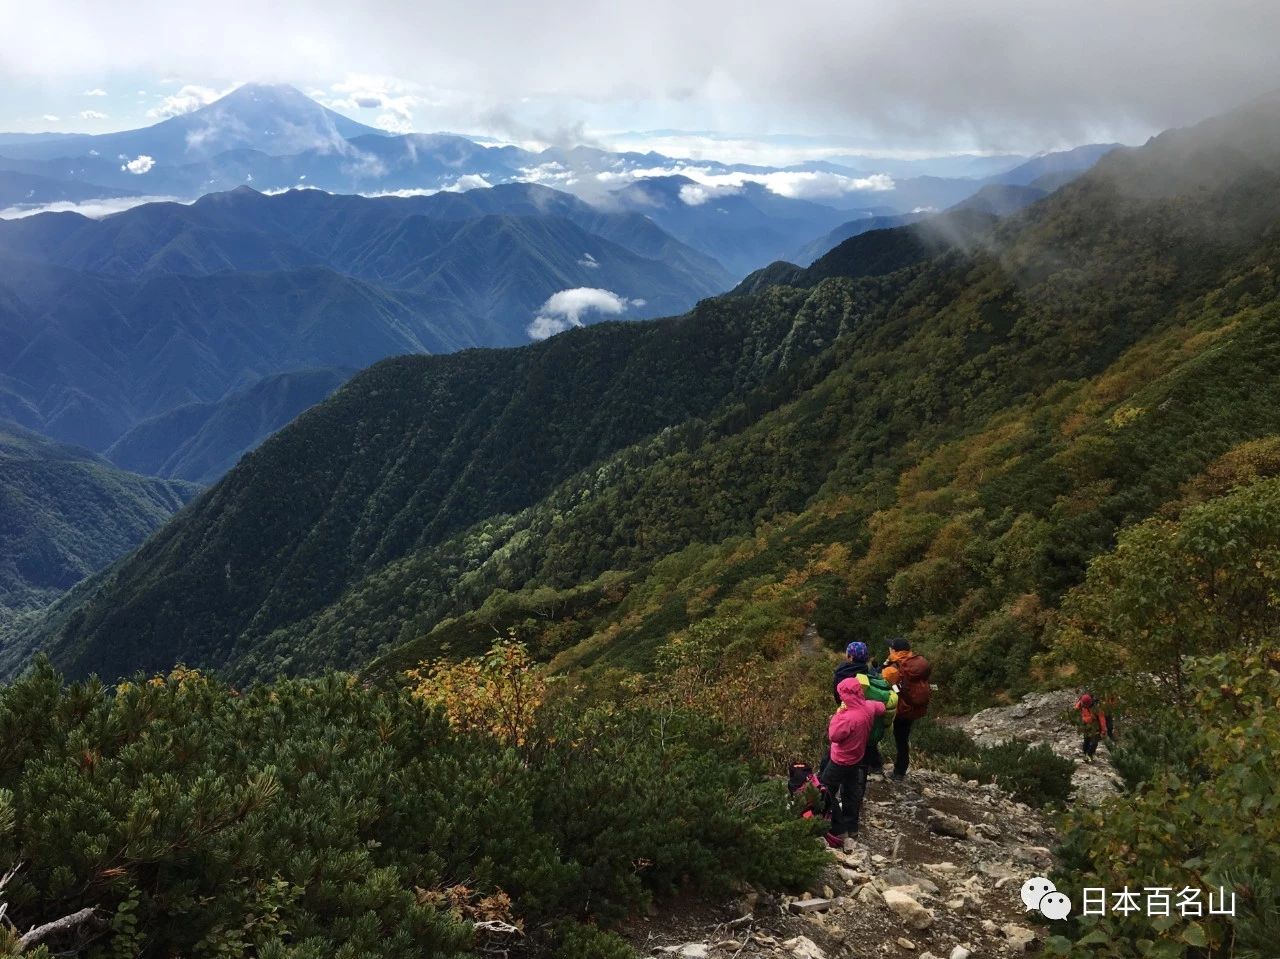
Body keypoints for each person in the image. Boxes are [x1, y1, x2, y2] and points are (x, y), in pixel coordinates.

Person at [822, 677, 886, 850]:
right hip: (857, 759)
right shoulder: (868, 707)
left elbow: (834, 735)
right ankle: (852, 828)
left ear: (844, 695)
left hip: (839, 761)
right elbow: (882, 707)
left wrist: (838, 714)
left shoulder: (847, 717)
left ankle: (838, 828)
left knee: (825, 790)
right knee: (850, 792)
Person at [831, 641, 896, 774]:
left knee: (845, 739)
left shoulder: (841, 672)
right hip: (867, 712)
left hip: (847, 709)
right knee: (867, 740)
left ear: (850, 657)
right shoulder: (868, 672)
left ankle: (847, 769)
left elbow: (838, 696)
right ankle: (873, 766)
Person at [881, 636, 931, 781]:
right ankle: (901, 768)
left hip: (902, 708)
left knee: (899, 739)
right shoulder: (916, 664)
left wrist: (886, 665)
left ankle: (898, 772)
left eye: (891, 647)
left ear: (894, 650)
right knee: (903, 738)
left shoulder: (895, 667)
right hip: (914, 707)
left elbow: (885, 682)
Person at [1074, 693, 1106, 761]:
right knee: (1086, 740)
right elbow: (1076, 710)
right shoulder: (1081, 703)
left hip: (1095, 726)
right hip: (1086, 725)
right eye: (1083, 704)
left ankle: (1090, 754)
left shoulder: (1097, 707)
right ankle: (1086, 754)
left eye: (1085, 704)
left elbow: (1102, 719)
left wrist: (1103, 730)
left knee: (1094, 742)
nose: (1084, 705)